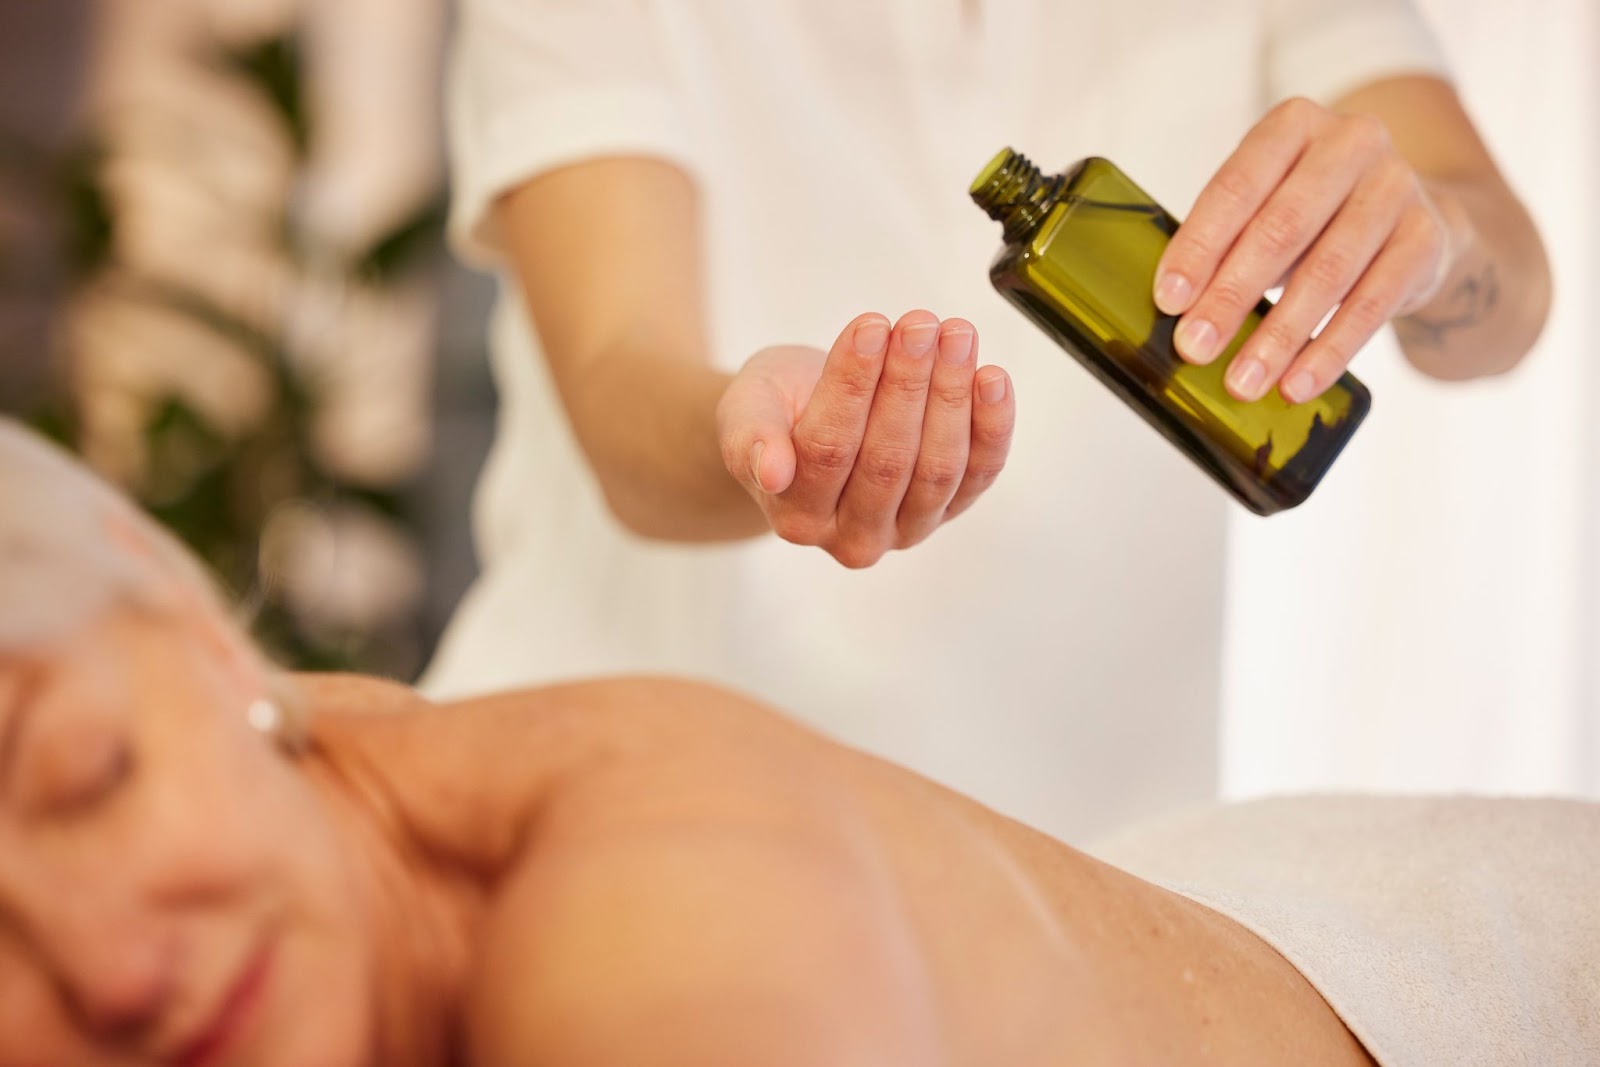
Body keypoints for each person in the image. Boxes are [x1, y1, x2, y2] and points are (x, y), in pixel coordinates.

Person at [0, 419, 1594, 1067]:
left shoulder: (656, 920)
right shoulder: (282, 796)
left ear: (206, 628)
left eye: (93, 774)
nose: (112, 968)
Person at [428, 0, 1551, 842]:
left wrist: (1434, 239)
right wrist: (758, 438)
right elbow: (623, 379)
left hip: (1091, 857)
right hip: (638, 811)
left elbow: (1508, 299)